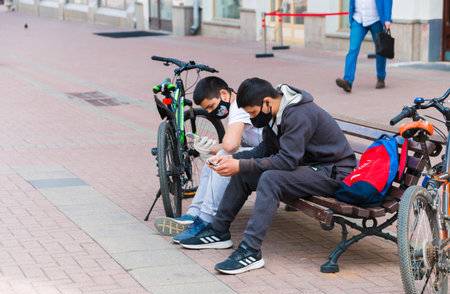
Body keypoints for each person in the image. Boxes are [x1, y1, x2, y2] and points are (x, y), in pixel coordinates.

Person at [179, 78, 357, 275]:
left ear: (267, 102)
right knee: (244, 173)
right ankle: (219, 231)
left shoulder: (298, 114)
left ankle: (251, 251)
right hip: (310, 167)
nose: (252, 118)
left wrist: (239, 164)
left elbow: (287, 161)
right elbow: (266, 149)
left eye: (253, 113)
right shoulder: (275, 112)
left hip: (333, 173)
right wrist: (233, 160)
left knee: (271, 179)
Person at [154, 76, 262, 243]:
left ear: (224, 94)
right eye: (208, 109)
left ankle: (206, 221)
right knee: (214, 159)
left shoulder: (239, 106)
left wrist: (215, 149)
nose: (211, 112)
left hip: (274, 158)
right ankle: (194, 214)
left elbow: (231, 145)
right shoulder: (236, 106)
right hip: (263, 153)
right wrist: (209, 149)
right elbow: (238, 143)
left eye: (211, 106)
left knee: (221, 159)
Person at [336, 0, 393, 92]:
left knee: (380, 50)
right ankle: (348, 81)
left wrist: (387, 18)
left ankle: (381, 78)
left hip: (376, 20)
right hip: (358, 19)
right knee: (353, 49)